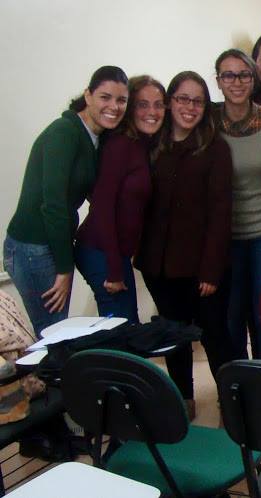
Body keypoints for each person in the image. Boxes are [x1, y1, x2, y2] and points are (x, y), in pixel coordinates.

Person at [135, 71, 235, 419]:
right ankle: (183, 399)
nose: (189, 107)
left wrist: (211, 269)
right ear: (170, 101)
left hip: (201, 267)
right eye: (182, 99)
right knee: (172, 335)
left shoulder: (215, 147)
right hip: (158, 264)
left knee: (214, 337)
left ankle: (230, 401)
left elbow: (221, 212)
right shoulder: (152, 144)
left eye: (197, 101)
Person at [4, 66, 129, 336]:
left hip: (51, 243)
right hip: (32, 247)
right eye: (105, 97)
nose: (114, 106)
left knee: (58, 332)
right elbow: (54, 205)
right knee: (54, 335)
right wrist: (64, 268)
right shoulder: (65, 133)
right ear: (88, 95)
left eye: (121, 100)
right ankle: (43, 380)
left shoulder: (95, 136)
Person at [213, 49, 261, 361]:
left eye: (243, 74)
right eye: (228, 75)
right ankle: (236, 385)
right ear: (218, 81)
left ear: (253, 78)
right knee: (230, 314)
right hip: (223, 235)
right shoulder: (207, 121)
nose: (236, 82)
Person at [74, 75, 165, 323]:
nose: (152, 112)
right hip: (99, 250)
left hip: (116, 253)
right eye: (143, 104)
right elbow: (102, 207)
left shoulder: (143, 145)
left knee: (126, 328)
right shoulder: (120, 145)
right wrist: (114, 269)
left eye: (158, 104)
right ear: (130, 109)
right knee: (122, 331)